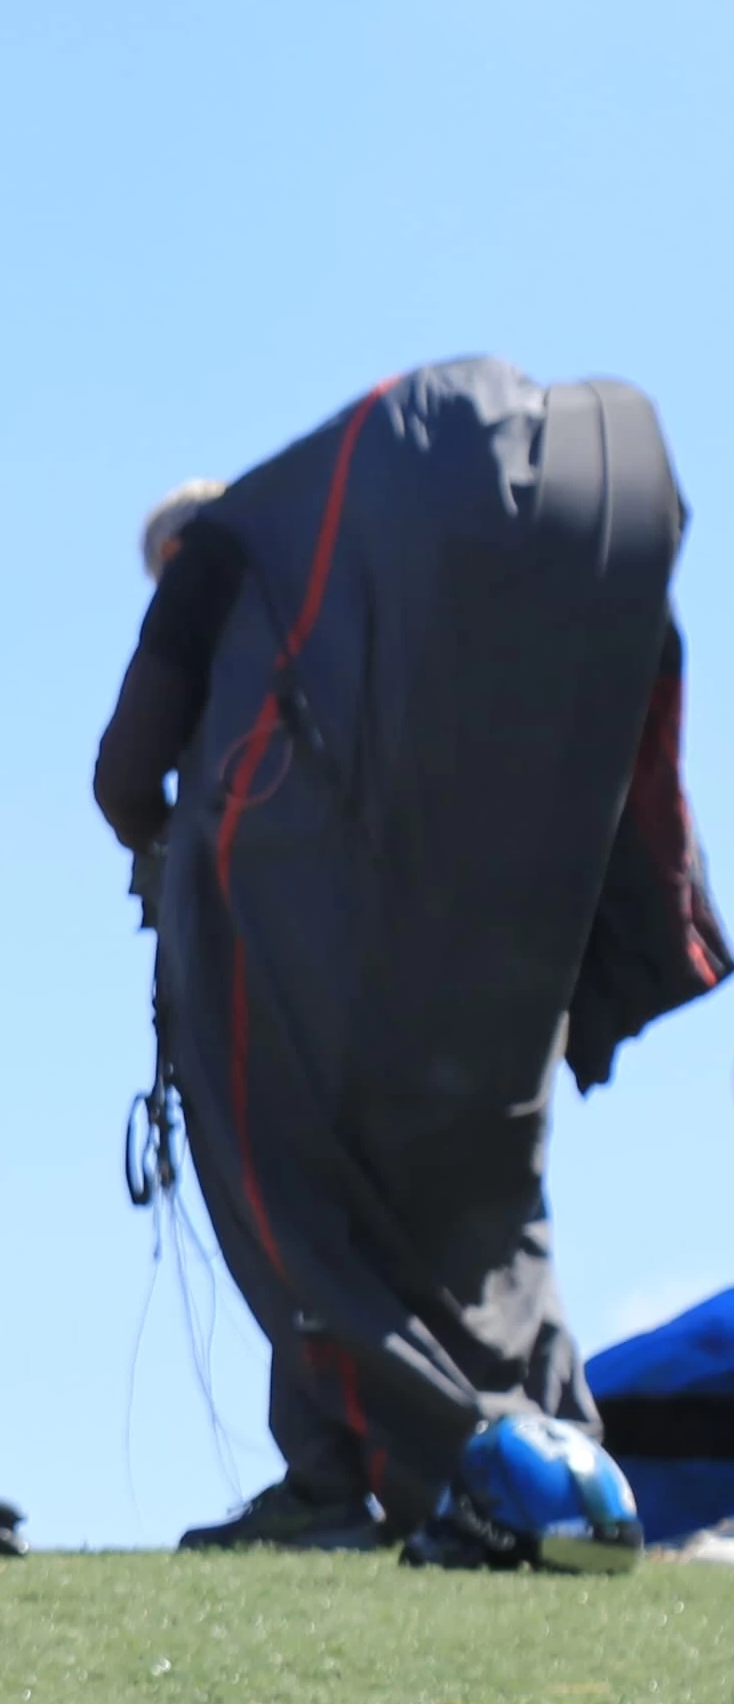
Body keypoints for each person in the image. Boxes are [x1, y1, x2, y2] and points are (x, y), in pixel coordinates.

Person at [97, 365, 721, 1556]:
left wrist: (165, 845)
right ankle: (562, 1458)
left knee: (299, 1208)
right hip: (491, 965)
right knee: (493, 1213)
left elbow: (124, 772)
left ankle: (347, 1477)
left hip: (296, 975)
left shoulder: (214, 571)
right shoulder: (402, 642)